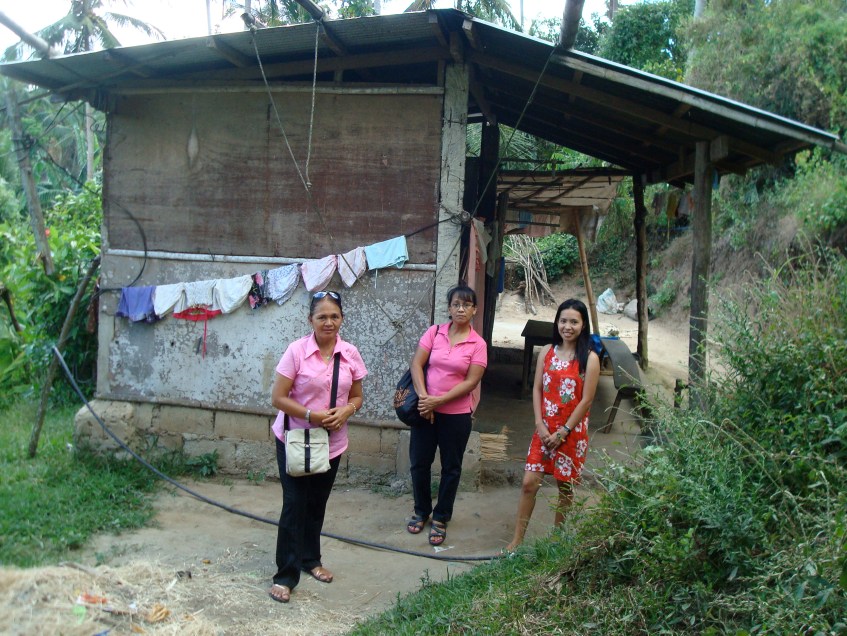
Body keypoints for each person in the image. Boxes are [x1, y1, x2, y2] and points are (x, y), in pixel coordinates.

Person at [268, 290, 367, 603]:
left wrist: (347, 411)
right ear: (310, 320)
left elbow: (357, 396)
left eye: (334, 316)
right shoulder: (296, 351)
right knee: (295, 504)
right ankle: (285, 575)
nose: (328, 322)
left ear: (342, 319)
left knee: (316, 504)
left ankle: (311, 560)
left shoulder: (349, 353)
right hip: (295, 439)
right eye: (322, 316)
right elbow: (278, 398)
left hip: (331, 443)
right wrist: (312, 415)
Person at [503, 298, 600, 553]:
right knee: (529, 483)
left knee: (565, 488)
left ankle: (557, 542)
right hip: (544, 432)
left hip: (571, 434)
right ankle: (516, 542)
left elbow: (586, 400)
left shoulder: (590, 359)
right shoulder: (547, 351)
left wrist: (564, 431)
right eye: (563, 321)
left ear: (583, 325)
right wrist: (540, 424)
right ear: (557, 322)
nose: (567, 326)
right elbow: (537, 389)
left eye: (574, 322)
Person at [406, 285, 487, 547]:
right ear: (449, 308)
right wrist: (424, 398)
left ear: (474, 310)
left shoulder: (478, 344)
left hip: (456, 415)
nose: (461, 309)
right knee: (419, 463)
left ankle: (441, 516)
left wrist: (438, 401)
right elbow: (416, 364)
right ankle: (421, 510)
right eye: (456, 304)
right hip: (425, 412)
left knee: (451, 467)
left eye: (466, 305)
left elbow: (471, 382)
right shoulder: (434, 332)